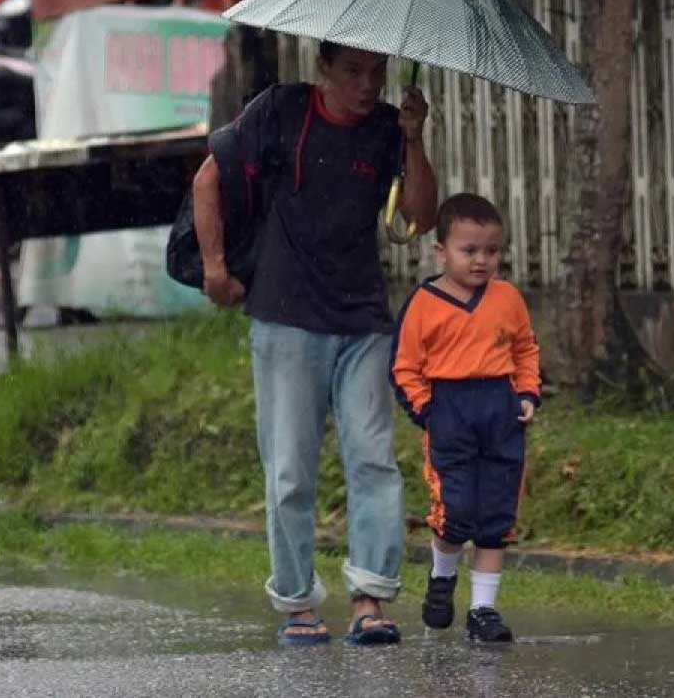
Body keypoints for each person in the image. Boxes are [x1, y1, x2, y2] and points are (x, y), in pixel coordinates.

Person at [192, 41, 438, 645]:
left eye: (376, 72)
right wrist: (216, 268)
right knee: (290, 469)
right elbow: (207, 178)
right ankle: (297, 602)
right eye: (353, 71)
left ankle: (371, 598)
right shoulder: (280, 111)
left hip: (362, 318)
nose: (367, 84)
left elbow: (420, 216)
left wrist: (413, 137)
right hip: (286, 314)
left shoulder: (387, 128)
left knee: (374, 459)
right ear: (322, 69)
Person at [391, 193, 540, 643]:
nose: (481, 261)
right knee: (455, 513)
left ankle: (483, 611)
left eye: (492, 251)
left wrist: (527, 392)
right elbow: (404, 367)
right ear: (441, 251)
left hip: (500, 412)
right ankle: (442, 577)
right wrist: (427, 410)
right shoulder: (424, 302)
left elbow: (525, 349)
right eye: (469, 250)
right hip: (449, 413)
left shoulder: (507, 298)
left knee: (496, 516)